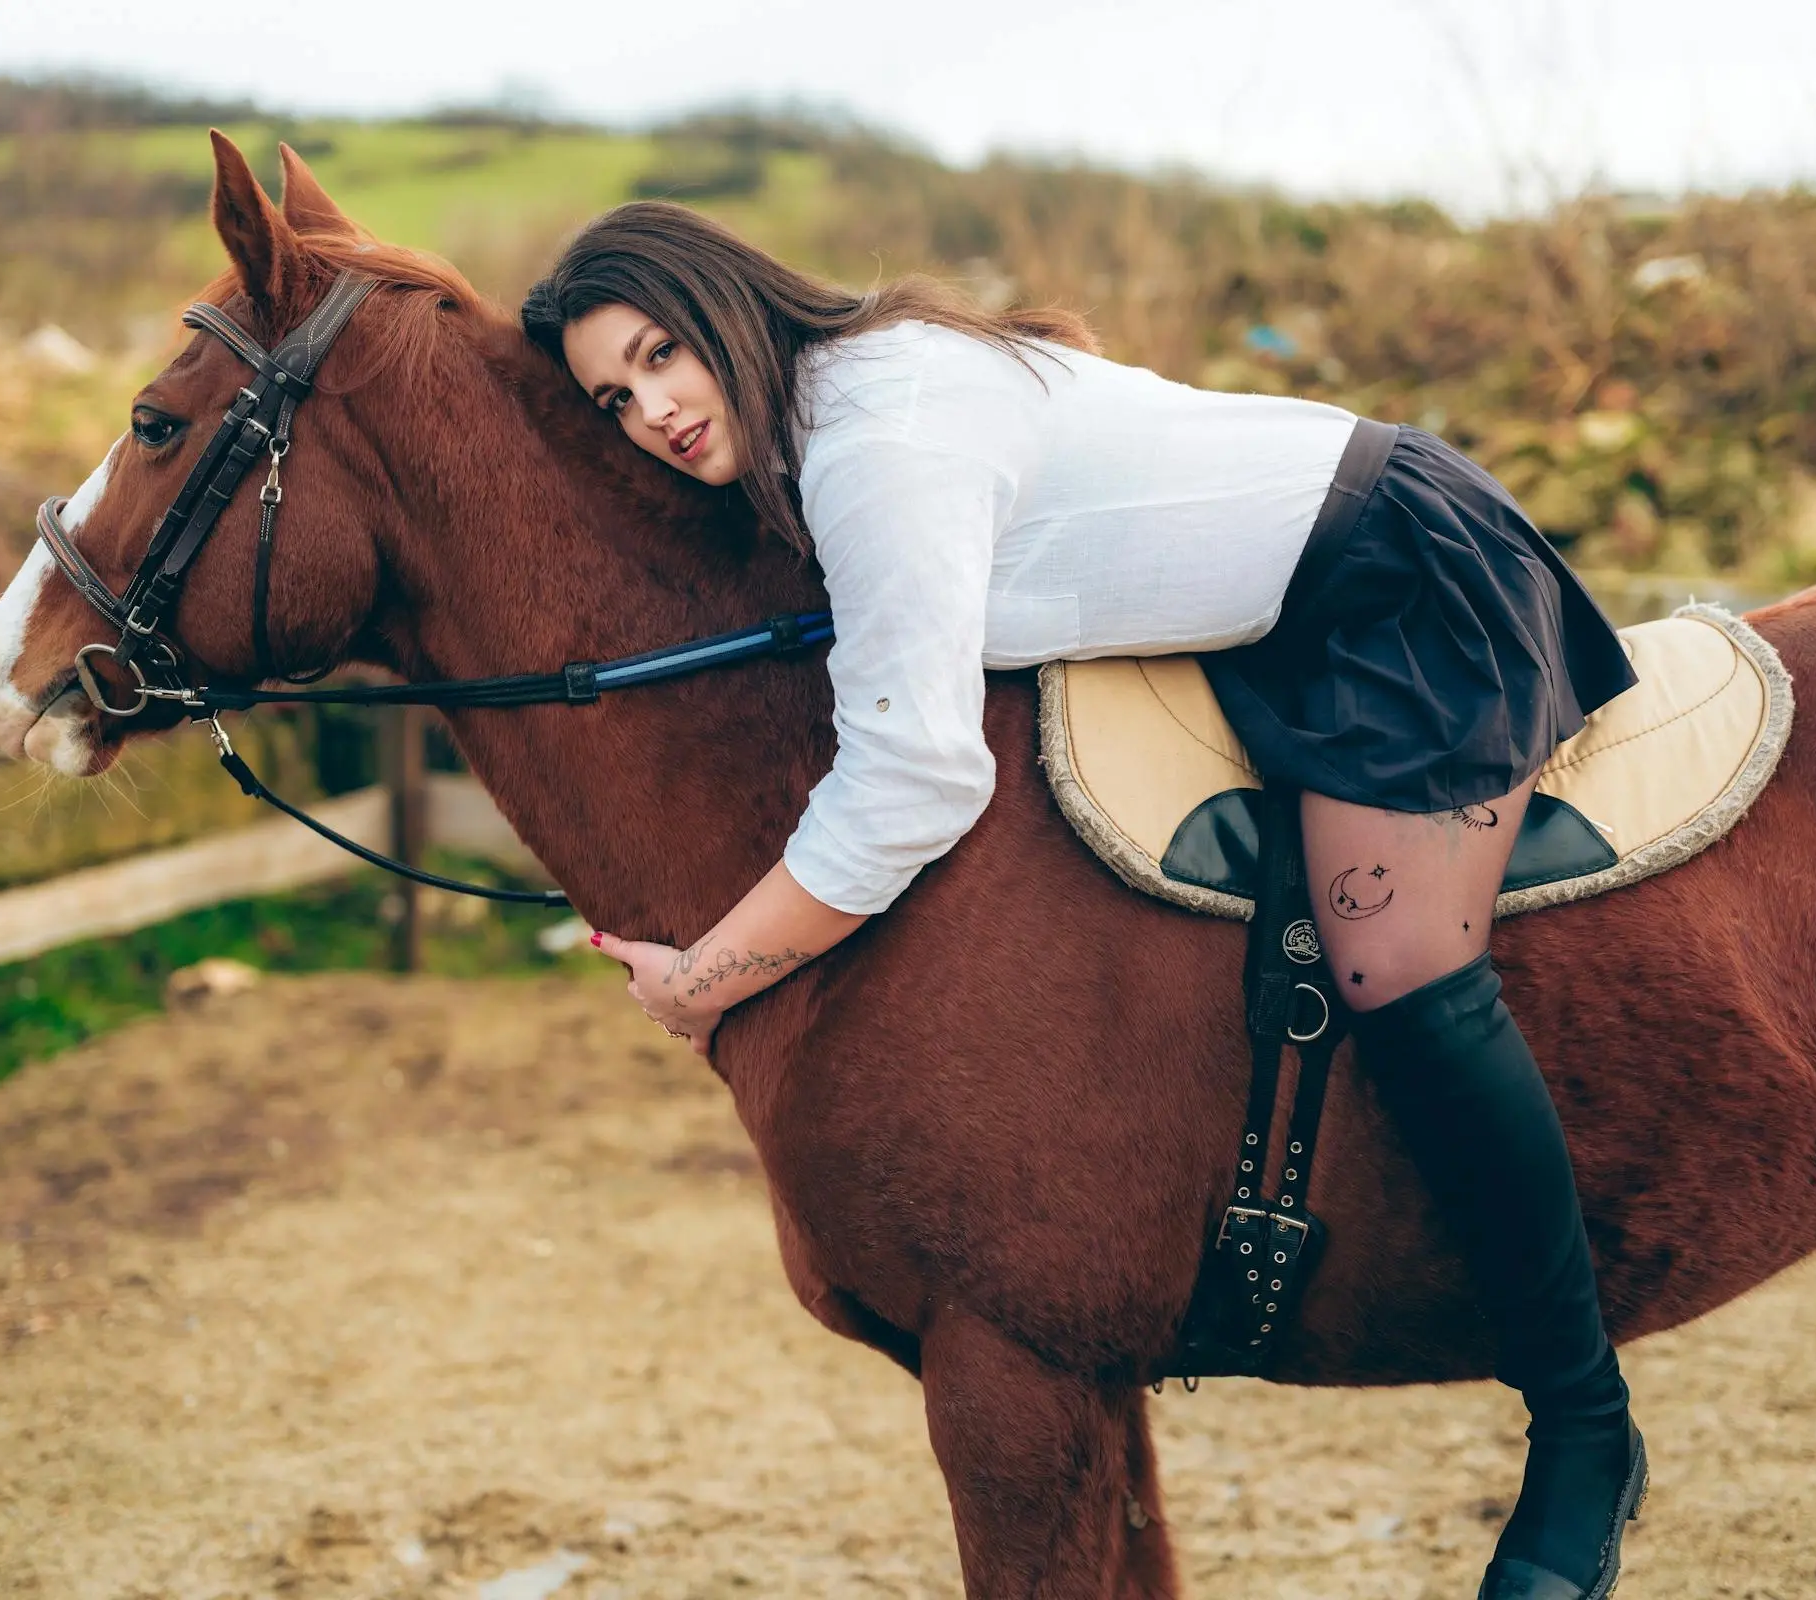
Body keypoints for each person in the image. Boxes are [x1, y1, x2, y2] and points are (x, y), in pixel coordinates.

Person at [521, 200, 1648, 1600]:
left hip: (1394, 584)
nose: (653, 411)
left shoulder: (876, 432)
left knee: (1393, 958)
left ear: (730, 308)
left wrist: (710, 979)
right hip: (1264, 619)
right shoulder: (835, 414)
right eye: (615, 399)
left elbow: (915, 777)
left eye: (663, 354)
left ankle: (1585, 1431)